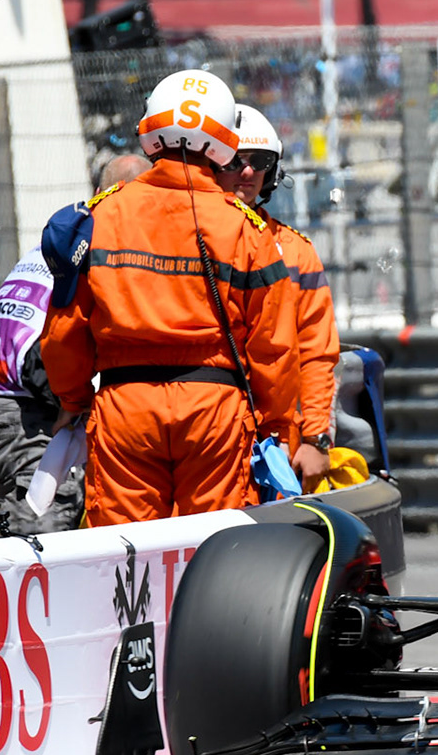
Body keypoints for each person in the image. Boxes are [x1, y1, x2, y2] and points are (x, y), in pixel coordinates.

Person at [39, 70, 298, 528]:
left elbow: (64, 331)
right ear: (223, 139)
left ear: (151, 128)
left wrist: (73, 401)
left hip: (124, 407)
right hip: (214, 411)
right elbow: (273, 346)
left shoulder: (102, 214)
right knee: (214, 549)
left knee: (124, 556)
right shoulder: (245, 228)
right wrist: (276, 424)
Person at [0, 155, 153, 533]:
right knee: (46, 530)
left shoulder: (66, 239)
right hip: (20, 405)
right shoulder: (102, 247)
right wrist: (72, 400)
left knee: (45, 520)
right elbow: (50, 349)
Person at [223, 105, 337, 488]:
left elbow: (317, 351)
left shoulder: (296, 252)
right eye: (235, 161)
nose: (248, 171)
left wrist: (316, 437)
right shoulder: (184, 241)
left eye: (260, 161)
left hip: (276, 440)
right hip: (206, 426)